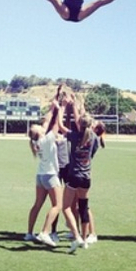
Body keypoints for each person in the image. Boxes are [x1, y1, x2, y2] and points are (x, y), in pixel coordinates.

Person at [56, 97, 103, 252]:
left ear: (80, 125)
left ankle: (76, 236)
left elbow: (61, 126)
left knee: (66, 208)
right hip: (86, 178)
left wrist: (62, 108)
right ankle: (84, 239)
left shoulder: (75, 136)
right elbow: (81, 122)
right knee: (83, 207)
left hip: (74, 176)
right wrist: (79, 106)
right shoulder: (94, 137)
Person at [25, 100, 63, 248]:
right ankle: (45, 232)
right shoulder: (47, 139)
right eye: (39, 127)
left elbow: (47, 122)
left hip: (40, 176)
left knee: (37, 204)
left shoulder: (36, 141)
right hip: (51, 176)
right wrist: (59, 109)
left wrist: (52, 107)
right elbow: (55, 125)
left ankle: (29, 233)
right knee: (57, 205)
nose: (41, 126)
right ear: (39, 132)